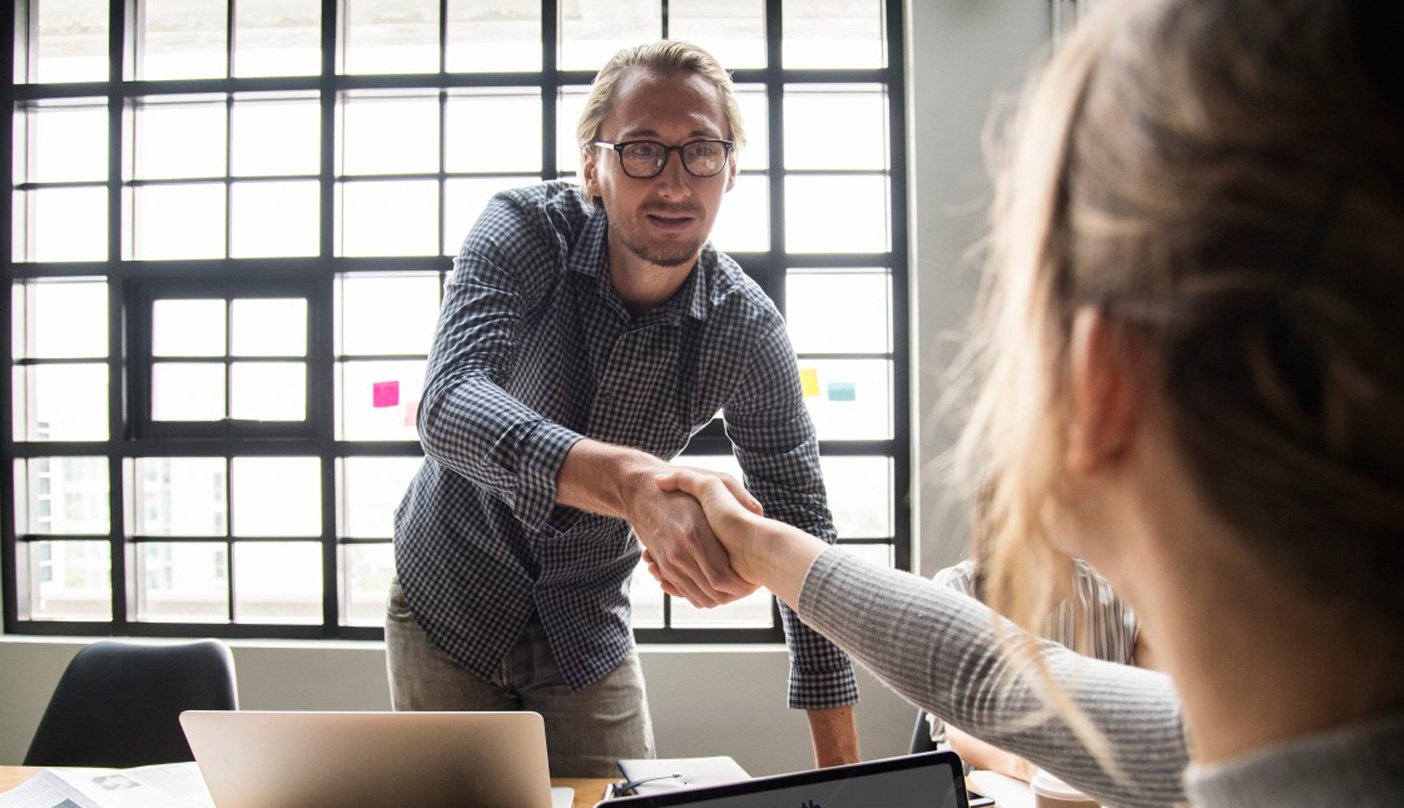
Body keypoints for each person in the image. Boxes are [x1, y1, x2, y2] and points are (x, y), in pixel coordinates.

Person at [656, 0, 1404, 806]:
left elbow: (996, 685)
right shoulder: (1268, 726)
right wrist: (763, 548)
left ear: (1104, 382)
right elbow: (986, 677)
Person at [386, 40, 859, 778]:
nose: (673, 182)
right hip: (448, 595)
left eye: (701, 151)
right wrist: (636, 485)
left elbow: (805, 530)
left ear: (730, 169)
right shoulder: (522, 231)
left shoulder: (747, 329)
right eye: (641, 150)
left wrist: (845, 779)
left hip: (585, 623)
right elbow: (448, 404)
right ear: (592, 170)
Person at [929, 558, 1155, 785]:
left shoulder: (1122, 594)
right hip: (983, 791)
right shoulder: (958, 587)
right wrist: (1033, 769)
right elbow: (958, 733)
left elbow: (1166, 710)